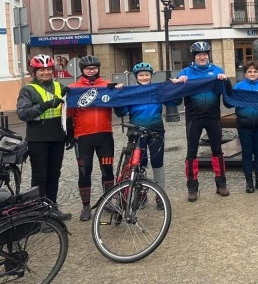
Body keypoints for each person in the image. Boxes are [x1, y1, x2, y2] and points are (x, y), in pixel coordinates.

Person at [16, 54, 71, 222]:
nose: (46, 72)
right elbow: (23, 113)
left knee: (54, 174)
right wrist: (45, 105)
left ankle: (52, 208)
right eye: (41, 70)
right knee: (40, 176)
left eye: (48, 69)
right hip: (38, 139)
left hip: (56, 137)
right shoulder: (28, 90)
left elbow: (68, 109)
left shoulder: (59, 86)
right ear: (35, 72)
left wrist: (70, 133)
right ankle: (38, 212)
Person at [114, 62, 177, 209]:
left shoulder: (157, 90)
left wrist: (174, 87)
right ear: (136, 77)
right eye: (141, 75)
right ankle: (140, 194)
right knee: (138, 164)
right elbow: (121, 112)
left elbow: (174, 101)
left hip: (156, 129)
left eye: (147, 75)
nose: (144, 77)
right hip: (137, 131)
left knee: (157, 161)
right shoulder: (132, 92)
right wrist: (118, 96)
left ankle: (160, 195)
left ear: (151, 76)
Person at [172, 41, 230, 201]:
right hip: (194, 118)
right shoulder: (185, 73)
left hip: (212, 117)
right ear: (194, 57)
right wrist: (178, 83)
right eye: (199, 55)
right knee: (191, 152)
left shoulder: (217, 71)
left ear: (208, 55)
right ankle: (192, 188)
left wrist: (225, 81)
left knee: (217, 151)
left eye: (205, 54)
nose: (202, 57)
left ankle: (221, 185)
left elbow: (228, 96)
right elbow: (175, 97)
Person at [68, 55, 122, 221]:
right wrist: (70, 136)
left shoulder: (107, 86)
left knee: (107, 171)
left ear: (98, 69)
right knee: (85, 171)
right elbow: (69, 116)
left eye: (94, 68)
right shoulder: (73, 88)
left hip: (105, 136)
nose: (91, 70)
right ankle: (86, 207)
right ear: (82, 70)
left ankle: (108, 202)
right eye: (87, 68)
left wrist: (118, 92)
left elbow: (119, 108)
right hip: (83, 138)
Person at [225, 62, 258, 192]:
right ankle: (249, 182)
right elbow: (229, 103)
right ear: (245, 74)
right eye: (250, 72)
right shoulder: (238, 87)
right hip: (244, 125)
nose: (252, 74)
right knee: (246, 153)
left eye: (255, 72)